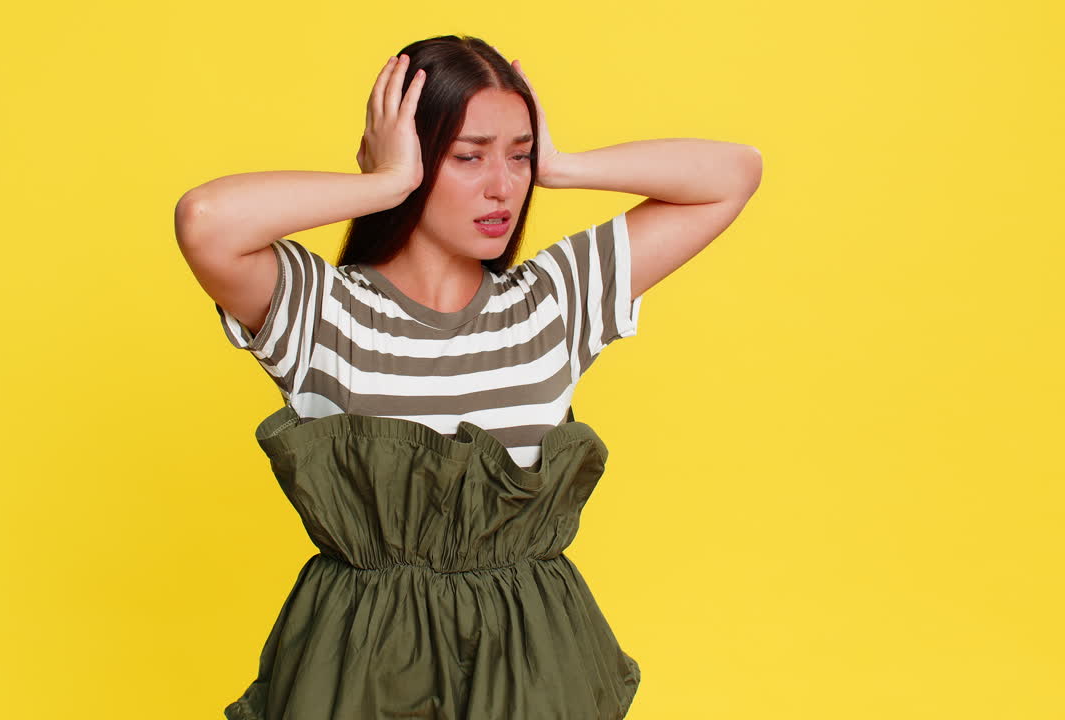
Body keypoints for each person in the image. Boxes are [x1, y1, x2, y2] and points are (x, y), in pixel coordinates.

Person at [176, 34, 761, 720]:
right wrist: (384, 183)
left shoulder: (552, 301)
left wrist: (562, 165)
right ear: (415, 156)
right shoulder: (321, 310)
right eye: (468, 156)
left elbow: (735, 173)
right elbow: (206, 220)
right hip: (361, 668)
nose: (503, 186)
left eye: (518, 156)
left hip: (535, 667)